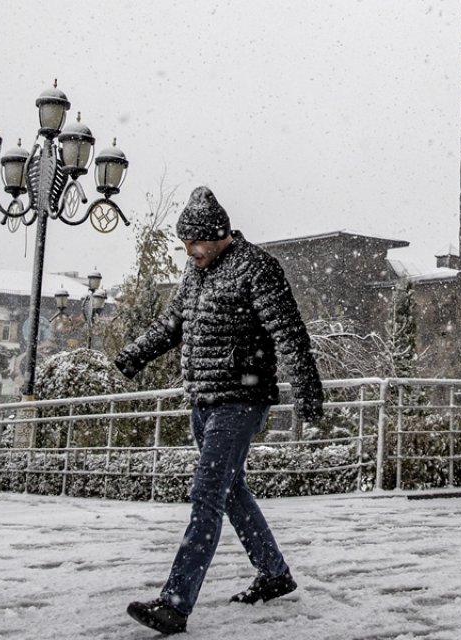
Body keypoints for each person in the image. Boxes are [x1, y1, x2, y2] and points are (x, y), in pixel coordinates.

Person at [116, 186, 324, 634]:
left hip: (241, 399)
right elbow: (174, 323)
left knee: (207, 493)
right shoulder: (195, 274)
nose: (191, 251)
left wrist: (307, 391)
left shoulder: (257, 268)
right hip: (203, 399)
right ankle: (274, 573)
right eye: (185, 243)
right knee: (230, 491)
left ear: (221, 234)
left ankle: (175, 603)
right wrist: (136, 353)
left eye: (198, 242)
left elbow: (289, 333)